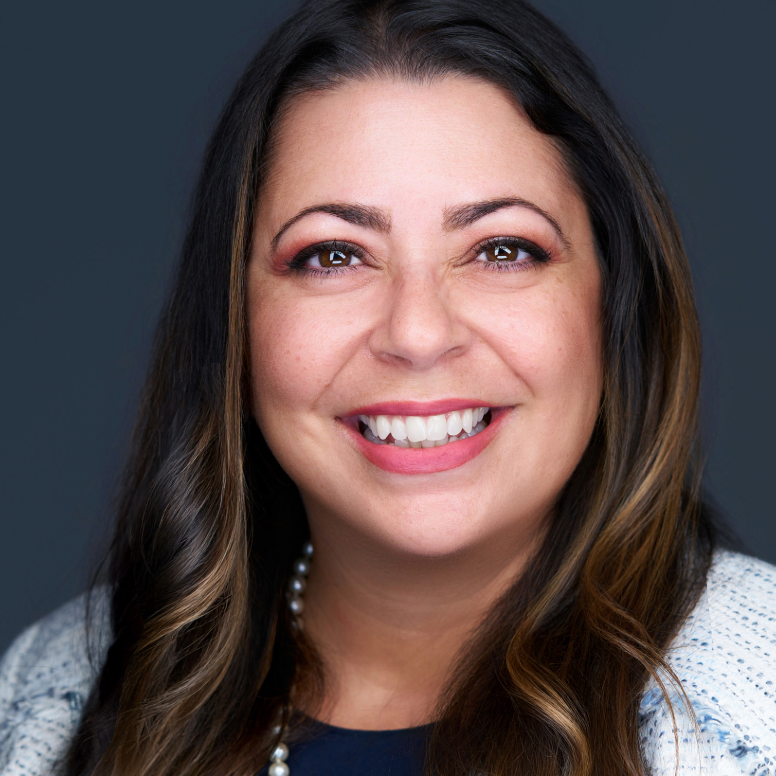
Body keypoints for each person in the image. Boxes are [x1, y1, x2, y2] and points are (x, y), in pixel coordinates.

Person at [1, 0, 774, 774]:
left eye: (501, 249)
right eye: (334, 256)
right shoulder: (45, 698)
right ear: (234, 319)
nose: (417, 333)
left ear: (614, 301)